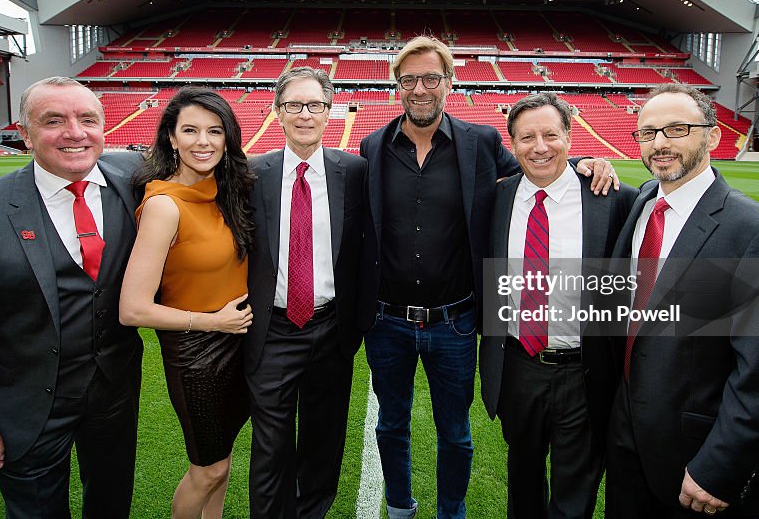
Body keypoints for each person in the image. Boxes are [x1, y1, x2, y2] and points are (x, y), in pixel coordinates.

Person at [357, 36, 617, 518]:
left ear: (448, 83)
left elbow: (538, 167)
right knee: (391, 424)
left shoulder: (480, 142)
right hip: (387, 321)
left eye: (431, 78)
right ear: (397, 86)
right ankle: (398, 505)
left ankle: (450, 511)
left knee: (455, 431)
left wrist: (585, 163)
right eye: (409, 79)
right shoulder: (372, 145)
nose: (420, 88)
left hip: (454, 322)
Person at [0, 76, 144, 518]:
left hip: (115, 394)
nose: (75, 132)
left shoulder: (134, 180)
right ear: (23, 134)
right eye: (53, 120)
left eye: (87, 119)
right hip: (24, 402)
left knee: (112, 503)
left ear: (105, 128)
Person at [605, 83, 759, 518]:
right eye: (648, 132)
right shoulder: (642, 202)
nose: (660, 143)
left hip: (695, 460)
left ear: (713, 136)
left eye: (677, 129)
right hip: (626, 442)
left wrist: (720, 466)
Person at [479, 92, 637, 518]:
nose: (540, 146)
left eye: (551, 134)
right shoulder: (496, 199)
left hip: (584, 370)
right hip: (518, 364)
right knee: (523, 478)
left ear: (570, 137)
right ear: (512, 145)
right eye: (527, 137)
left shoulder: (612, 198)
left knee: (575, 490)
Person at [119, 87, 255, 519]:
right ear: (171, 139)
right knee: (207, 469)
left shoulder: (225, 192)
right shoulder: (164, 204)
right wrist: (213, 323)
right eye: (190, 130)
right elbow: (133, 308)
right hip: (199, 353)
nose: (203, 141)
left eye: (215, 131)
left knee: (222, 463)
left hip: (239, 344)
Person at [244, 67, 367, 518]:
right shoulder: (251, 173)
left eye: (314, 105)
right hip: (273, 329)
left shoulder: (353, 170)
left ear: (329, 112)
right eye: (294, 105)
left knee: (323, 440)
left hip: (332, 329)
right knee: (270, 445)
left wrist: (576, 164)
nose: (304, 114)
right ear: (278, 112)